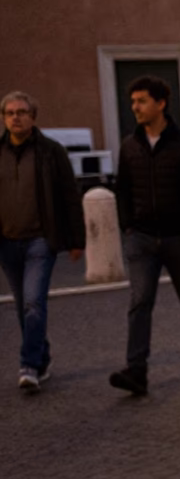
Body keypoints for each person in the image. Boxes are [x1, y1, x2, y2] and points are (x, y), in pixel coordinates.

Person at [109, 76, 180, 396]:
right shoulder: (130, 146)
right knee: (139, 302)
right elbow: (122, 189)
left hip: (178, 237)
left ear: (161, 103)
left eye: (141, 101)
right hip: (141, 238)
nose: (135, 107)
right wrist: (127, 225)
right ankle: (136, 370)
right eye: (133, 102)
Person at [0, 91, 83, 393]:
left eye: (21, 112)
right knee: (24, 304)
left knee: (34, 301)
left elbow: (70, 196)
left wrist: (76, 239)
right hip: (7, 241)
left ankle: (29, 365)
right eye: (10, 113)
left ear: (33, 117)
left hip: (40, 240)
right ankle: (42, 358)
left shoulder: (51, 151)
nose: (15, 118)